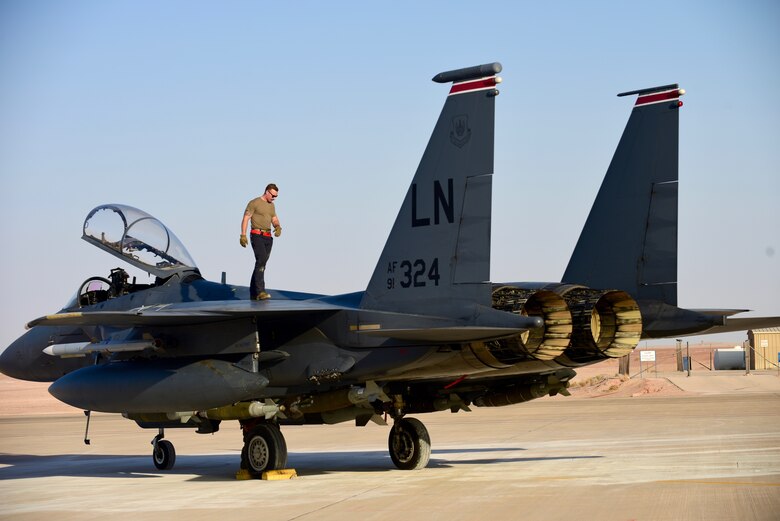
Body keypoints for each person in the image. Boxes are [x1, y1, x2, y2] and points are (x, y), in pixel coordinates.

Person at [240, 183, 282, 300]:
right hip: (257, 235)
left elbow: (274, 218)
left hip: (268, 237)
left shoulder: (271, 206)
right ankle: (260, 291)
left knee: (262, 263)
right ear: (267, 192)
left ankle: (253, 293)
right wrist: (243, 235)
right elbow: (246, 218)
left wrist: (278, 226)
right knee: (261, 260)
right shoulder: (254, 203)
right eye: (273, 195)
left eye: (276, 196)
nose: (274, 198)